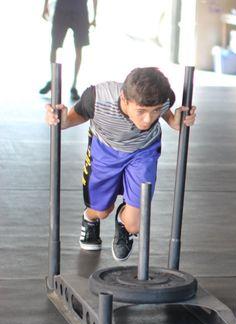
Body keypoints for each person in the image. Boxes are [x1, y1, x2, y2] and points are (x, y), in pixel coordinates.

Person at [44, 67, 196, 261]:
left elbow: (164, 108)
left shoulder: (165, 97)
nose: (148, 120)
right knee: (101, 211)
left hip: (143, 151)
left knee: (135, 224)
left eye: (155, 111)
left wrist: (174, 121)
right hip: (105, 149)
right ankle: (90, 219)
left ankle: (124, 223)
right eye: (140, 111)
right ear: (124, 99)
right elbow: (72, 118)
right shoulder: (97, 98)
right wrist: (59, 120)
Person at [39, 0, 98, 101]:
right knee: (55, 46)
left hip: (80, 11)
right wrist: (45, 6)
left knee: (78, 49)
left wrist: (94, 16)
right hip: (63, 9)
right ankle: (53, 79)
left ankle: (74, 86)